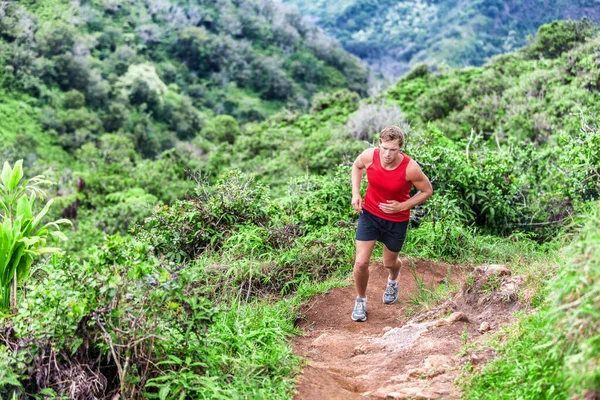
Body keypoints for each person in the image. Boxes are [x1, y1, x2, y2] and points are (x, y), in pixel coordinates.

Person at [350, 125, 433, 322]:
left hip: (396, 220)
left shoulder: (410, 168)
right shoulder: (370, 156)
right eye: (384, 148)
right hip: (369, 214)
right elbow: (356, 166)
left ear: (400, 148)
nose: (387, 154)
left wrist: (402, 206)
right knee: (361, 262)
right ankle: (361, 300)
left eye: (393, 150)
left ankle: (393, 280)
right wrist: (355, 192)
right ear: (380, 144)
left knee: (390, 263)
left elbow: (427, 190)